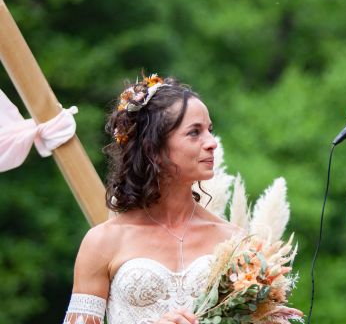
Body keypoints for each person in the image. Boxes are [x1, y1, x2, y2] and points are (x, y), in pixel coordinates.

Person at [63, 74, 239, 324]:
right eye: (194, 133)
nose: (211, 143)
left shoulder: (233, 240)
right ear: (153, 148)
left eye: (209, 131)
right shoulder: (102, 242)